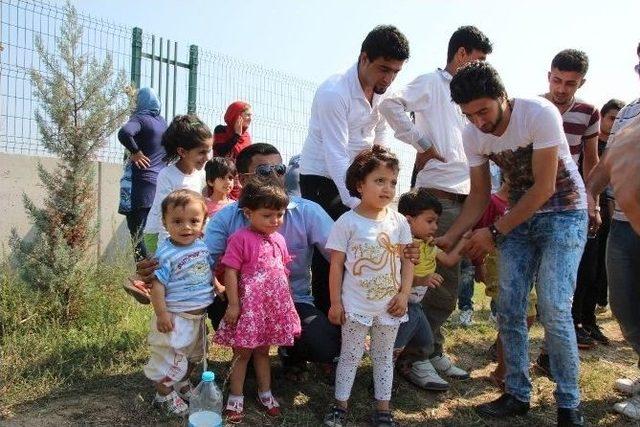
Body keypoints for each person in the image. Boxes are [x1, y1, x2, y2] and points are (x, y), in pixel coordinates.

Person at [442, 61, 587, 426]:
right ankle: (516, 393)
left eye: (483, 111)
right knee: (508, 307)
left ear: (502, 97)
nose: (478, 122)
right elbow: (478, 197)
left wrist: (493, 232)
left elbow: (544, 187)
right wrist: (452, 234)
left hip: (564, 214)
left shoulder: (538, 113)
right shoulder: (472, 134)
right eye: (468, 114)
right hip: (517, 220)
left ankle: (569, 404)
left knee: (554, 306)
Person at [379, 25, 493, 387]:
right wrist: (421, 143)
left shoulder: (471, 97)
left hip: (467, 198)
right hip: (438, 196)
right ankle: (413, 358)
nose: (480, 67)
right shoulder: (431, 82)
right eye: (477, 59)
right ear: (461, 53)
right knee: (425, 280)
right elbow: (390, 103)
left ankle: (433, 349)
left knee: (450, 280)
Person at [299, 25, 420, 315]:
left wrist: (379, 179)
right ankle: (329, 321)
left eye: (395, 72)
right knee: (332, 249)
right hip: (323, 176)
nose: (388, 78)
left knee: (364, 246)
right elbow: (335, 154)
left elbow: (380, 139)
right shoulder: (333, 93)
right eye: (383, 69)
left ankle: (361, 315)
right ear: (363, 58)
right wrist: (356, 201)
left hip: (358, 178)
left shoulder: (383, 94)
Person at [323, 145, 413, 427]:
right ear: (360, 185)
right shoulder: (347, 222)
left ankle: (383, 410)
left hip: (390, 308)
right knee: (349, 355)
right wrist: (336, 303)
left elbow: (408, 261)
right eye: (379, 180)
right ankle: (340, 406)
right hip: (356, 307)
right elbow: (335, 265)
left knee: (384, 357)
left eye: (393, 182)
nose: (388, 188)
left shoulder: (399, 222)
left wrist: (404, 294)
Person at [214, 178, 301, 423]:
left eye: (279, 214)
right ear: (248, 213)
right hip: (250, 309)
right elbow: (230, 270)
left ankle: (265, 392)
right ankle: (235, 396)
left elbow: (282, 273)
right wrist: (233, 304)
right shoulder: (240, 238)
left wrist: (287, 306)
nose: (275, 220)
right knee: (242, 353)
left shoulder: (280, 240)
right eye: (267, 215)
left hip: (272, 308)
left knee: (264, 352)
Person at [585, 44, 640, 420]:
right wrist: (586, 193)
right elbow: (608, 163)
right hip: (622, 225)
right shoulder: (629, 113)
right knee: (624, 305)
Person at [541, 49, 601, 351]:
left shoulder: (589, 113)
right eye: (557, 80)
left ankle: (550, 351)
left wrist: (593, 202)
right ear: (548, 75)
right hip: (532, 202)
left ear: (582, 83)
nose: (562, 89)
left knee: (560, 284)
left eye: (570, 84)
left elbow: (590, 161)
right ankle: (506, 343)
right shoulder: (534, 107)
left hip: (567, 206)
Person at [143, 189, 213, 417]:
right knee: (171, 357)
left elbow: (207, 270)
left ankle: (181, 383)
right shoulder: (165, 254)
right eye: (177, 221)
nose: (186, 227)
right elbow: (157, 286)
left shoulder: (201, 246)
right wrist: (162, 314)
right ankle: (163, 393)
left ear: (203, 222)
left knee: (193, 355)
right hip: (176, 317)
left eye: (194, 221)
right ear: (165, 223)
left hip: (198, 317)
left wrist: (218, 286)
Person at [393, 188, 468, 392]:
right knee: (395, 345)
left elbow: (450, 260)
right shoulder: (403, 247)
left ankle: (403, 364)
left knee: (426, 341)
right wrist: (421, 279)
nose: (435, 227)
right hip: (400, 309)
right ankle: (384, 374)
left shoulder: (428, 246)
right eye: (430, 221)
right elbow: (395, 280)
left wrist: (465, 238)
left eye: (436, 221)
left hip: (415, 308)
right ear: (408, 221)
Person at [143, 115, 212, 254]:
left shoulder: (201, 175)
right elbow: (164, 215)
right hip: (158, 234)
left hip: (184, 231)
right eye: (201, 152)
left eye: (208, 151)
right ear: (182, 152)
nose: (207, 157)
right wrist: (165, 251)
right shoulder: (167, 175)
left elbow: (201, 209)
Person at [117, 87, 167, 261]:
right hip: (158, 185)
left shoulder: (140, 119)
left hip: (139, 185)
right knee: (153, 234)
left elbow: (124, 132)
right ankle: (155, 279)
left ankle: (144, 278)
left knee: (138, 235)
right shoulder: (162, 122)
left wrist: (135, 151)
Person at [592, 99, 625, 312]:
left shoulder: (621, 147)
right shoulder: (591, 143)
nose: (615, 123)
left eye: (618, 119)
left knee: (604, 259)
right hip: (594, 206)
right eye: (612, 118)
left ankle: (601, 300)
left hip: (616, 208)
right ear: (602, 117)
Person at [213, 101, 253, 200]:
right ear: (236, 116)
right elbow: (221, 151)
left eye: (251, 115)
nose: (250, 118)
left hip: (240, 185)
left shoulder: (247, 136)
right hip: (222, 182)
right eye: (247, 115)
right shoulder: (221, 130)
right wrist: (236, 135)